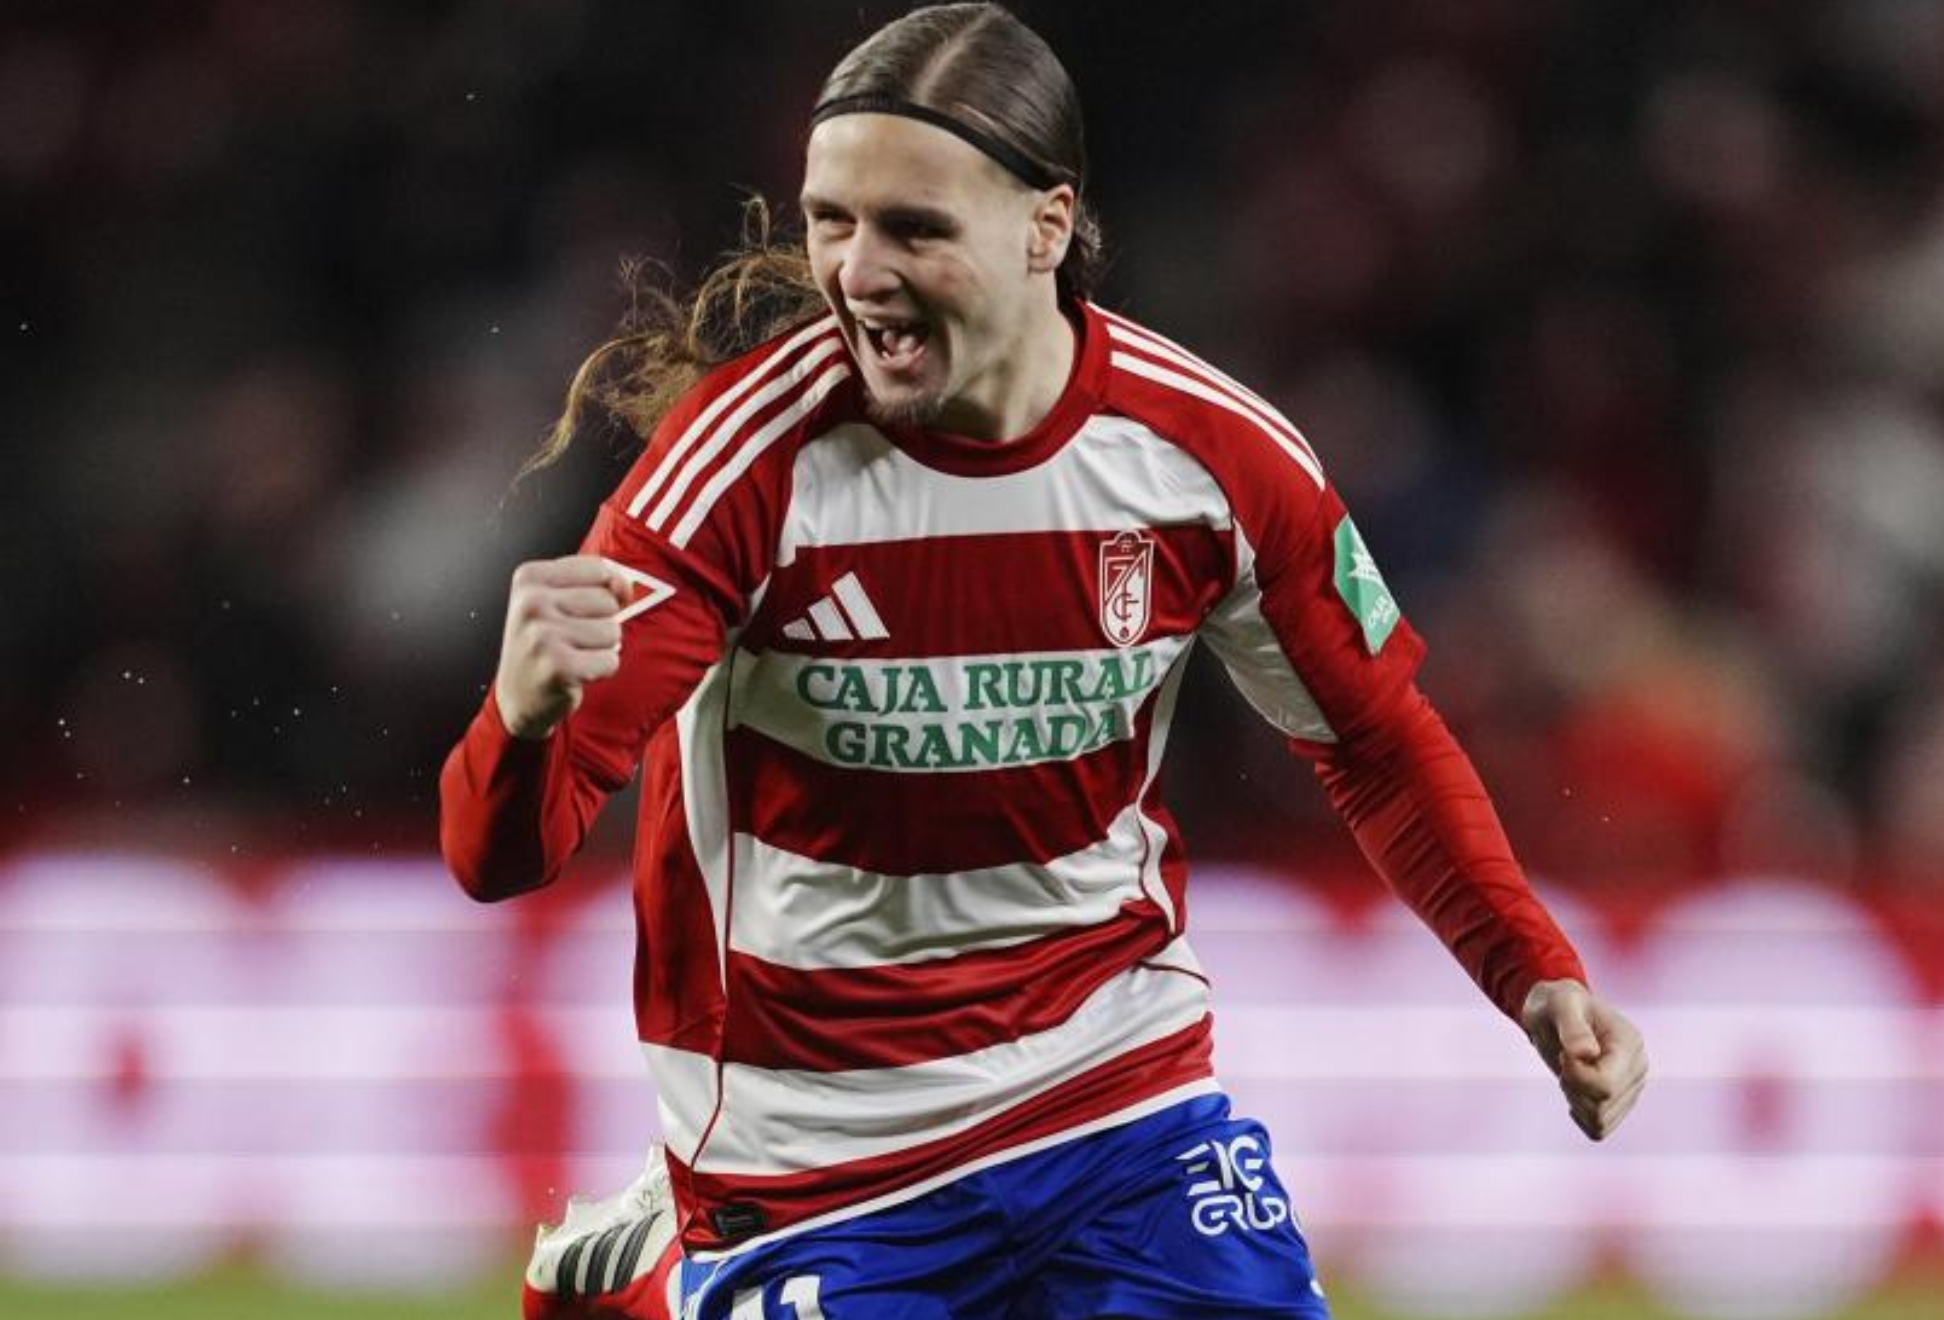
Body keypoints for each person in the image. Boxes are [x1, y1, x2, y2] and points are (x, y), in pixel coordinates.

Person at [439, 5, 1650, 1317]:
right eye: (829, 219)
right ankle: (661, 1277)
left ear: (1046, 227)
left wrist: (1532, 970)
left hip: (1119, 1113)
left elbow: (1371, 738)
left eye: (912, 228)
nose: (855, 271)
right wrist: (521, 719)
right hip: (819, 1163)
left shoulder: (1207, 462)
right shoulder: (739, 477)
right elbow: (502, 858)